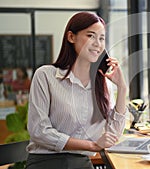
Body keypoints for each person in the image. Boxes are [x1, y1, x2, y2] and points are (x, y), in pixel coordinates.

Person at [25, 12, 127, 169]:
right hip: (46, 162)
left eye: (101, 38)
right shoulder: (45, 75)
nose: (98, 44)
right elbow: (39, 131)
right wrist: (91, 146)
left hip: (81, 163)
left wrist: (122, 88)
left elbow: (113, 134)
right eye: (91, 36)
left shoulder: (103, 84)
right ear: (71, 37)